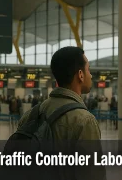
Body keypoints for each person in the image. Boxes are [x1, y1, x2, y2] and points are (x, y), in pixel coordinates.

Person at [18, 46, 105, 180]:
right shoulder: (84, 121)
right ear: (80, 75)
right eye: (88, 69)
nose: (91, 75)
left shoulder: (30, 115)